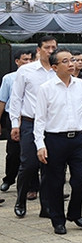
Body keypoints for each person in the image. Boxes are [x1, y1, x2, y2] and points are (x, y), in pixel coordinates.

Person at [34, 49, 82, 234]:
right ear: (54, 67)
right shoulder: (46, 89)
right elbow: (40, 119)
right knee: (55, 182)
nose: (71, 64)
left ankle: (75, 213)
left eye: (72, 60)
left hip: (77, 139)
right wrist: (40, 145)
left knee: (81, 179)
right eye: (65, 61)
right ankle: (58, 220)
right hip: (54, 139)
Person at [8, 35, 58, 218]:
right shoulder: (26, 71)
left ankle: (46, 206)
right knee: (29, 164)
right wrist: (15, 123)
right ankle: (21, 199)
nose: (51, 51)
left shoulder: (59, 70)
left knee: (49, 166)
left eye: (53, 48)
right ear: (39, 50)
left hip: (52, 124)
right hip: (30, 122)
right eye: (47, 47)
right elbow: (16, 98)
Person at [0, 48, 33, 193]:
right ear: (17, 61)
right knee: (13, 152)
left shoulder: (38, 76)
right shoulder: (9, 78)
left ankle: (32, 186)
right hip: (12, 117)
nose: (28, 62)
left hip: (30, 117)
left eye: (30, 59)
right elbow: (2, 101)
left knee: (31, 152)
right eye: (25, 59)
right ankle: (9, 179)